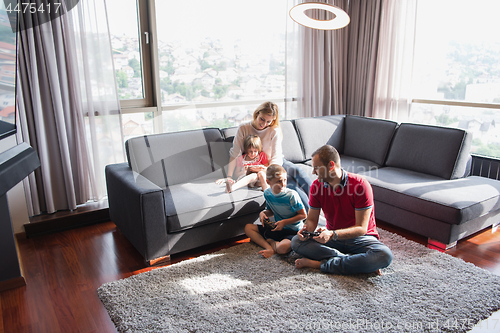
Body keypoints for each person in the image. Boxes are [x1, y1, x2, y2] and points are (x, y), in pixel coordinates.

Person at [291, 145, 393, 275]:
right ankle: (355, 261)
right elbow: (311, 220)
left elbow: (361, 228)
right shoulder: (317, 186)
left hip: (360, 238)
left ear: (331, 165)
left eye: (316, 168)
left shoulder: (360, 185)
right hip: (333, 239)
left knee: (384, 255)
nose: (313, 172)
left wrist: (332, 234)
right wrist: (306, 230)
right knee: (296, 242)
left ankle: (322, 264)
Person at [245, 164, 307, 258]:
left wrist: (284, 222)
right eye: (279, 181)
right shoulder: (267, 193)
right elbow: (271, 211)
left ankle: (270, 242)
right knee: (248, 228)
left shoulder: (291, 195)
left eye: (285, 180)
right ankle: (269, 247)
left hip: (292, 230)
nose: (283, 184)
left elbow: (303, 215)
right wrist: (263, 213)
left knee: (282, 248)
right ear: (268, 182)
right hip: (276, 228)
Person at [223, 101, 282, 187]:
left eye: (268, 122)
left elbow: (276, 158)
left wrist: (266, 169)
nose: (264, 124)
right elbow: (235, 154)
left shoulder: (274, 131)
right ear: (257, 113)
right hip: (255, 167)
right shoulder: (243, 128)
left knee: (299, 174)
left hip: (272, 165)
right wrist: (229, 177)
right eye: (262, 119)